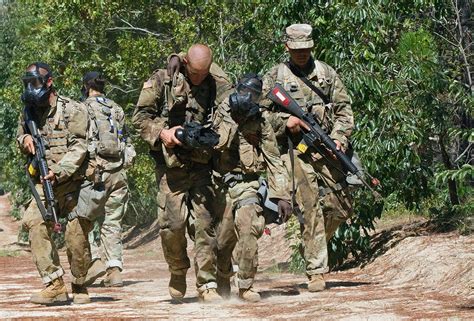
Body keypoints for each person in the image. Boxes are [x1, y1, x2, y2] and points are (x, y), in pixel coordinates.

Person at [132, 44, 232, 302]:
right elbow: (139, 117)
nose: (199, 78)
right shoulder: (162, 79)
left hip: (203, 164)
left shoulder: (216, 81)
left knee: (205, 224)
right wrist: (162, 132)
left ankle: (207, 284)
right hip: (171, 166)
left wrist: (215, 138)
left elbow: (229, 115)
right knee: (172, 225)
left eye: (204, 73)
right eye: (195, 73)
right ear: (186, 63)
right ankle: (177, 270)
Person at [262, 24, 354, 291]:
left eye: (307, 49)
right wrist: (285, 120)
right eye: (296, 50)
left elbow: (343, 109)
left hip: (326, 148)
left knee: (342, 206)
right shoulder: (275, 77)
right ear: (287, 47)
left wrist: (339, 137)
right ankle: (316, 270)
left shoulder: (326, 73)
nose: (302, 54)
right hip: (296, 152)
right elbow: (259, 115)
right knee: (310, 206)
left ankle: (311, 245)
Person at [17, 62, 98, 304]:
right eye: (28, 84)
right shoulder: (29, 111)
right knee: (34, 222)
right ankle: (54, 284)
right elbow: (19, 135)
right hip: (45, 182)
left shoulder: (73, 109)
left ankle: (80, 283)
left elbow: (80, 147)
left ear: (49, 82)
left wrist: (58, 171)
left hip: (74, 182)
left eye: (35, 83)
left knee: (76, 236)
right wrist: (25, 139)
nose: (31, 89)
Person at [212, 73, 291, 302]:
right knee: (223, 242)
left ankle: (245, 285)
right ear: (237, 89)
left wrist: (281, 195)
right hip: (220, 183)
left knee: (248, 230)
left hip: (248, 184)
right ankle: (221, 275)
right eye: (245, 92)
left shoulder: (261, 121)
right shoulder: (220, 112)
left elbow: (274, 160)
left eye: (254, 95)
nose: (248, 98)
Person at [80, 71, 135, 288]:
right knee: (113, 221)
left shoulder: (82, 108)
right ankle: (114, 270)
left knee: (86, 219)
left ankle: (95, 261)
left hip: (95, 172)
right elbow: (126, 137)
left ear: (86, 86)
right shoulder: (117, 108)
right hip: (118, 171)